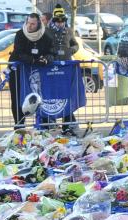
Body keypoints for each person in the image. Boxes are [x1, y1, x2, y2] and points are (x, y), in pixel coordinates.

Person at [9, 13, 53, 128]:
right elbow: (18, 52)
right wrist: (33, 60)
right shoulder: (20, 34)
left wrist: (46, 59)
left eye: (33, 24)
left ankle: (43, 124)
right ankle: (19, 124)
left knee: (40, 96)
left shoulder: (47, 35)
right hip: (19, 70)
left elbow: (52, 52)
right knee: (17, 97)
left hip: (38, 71)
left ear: (38, 23)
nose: (30, 26)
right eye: (28, 23)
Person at [47, 5, 80, 134]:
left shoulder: (69, 31)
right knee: (51, 96)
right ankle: (50, 121)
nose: (60, 23)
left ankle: (68, 123)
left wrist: (72, 50)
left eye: (62, 21)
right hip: (52, 68)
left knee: (66, 96)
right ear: (54, 21)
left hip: (66, 67)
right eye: (57, 21)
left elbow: (75, 44)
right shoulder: (47, 32)